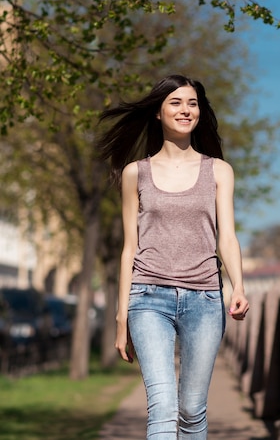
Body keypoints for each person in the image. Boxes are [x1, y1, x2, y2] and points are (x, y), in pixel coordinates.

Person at [98, 74, 249, 440]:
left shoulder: (219, 171)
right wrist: (122, 318)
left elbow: (226, 236)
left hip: (205, 299)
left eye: (192, 103)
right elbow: (129, 249)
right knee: (163, 407)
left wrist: (238, 286)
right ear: (158, 113)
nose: (186, 110)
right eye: (176, 103)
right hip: (148, 298)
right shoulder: (137, 173)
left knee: (192, 410)